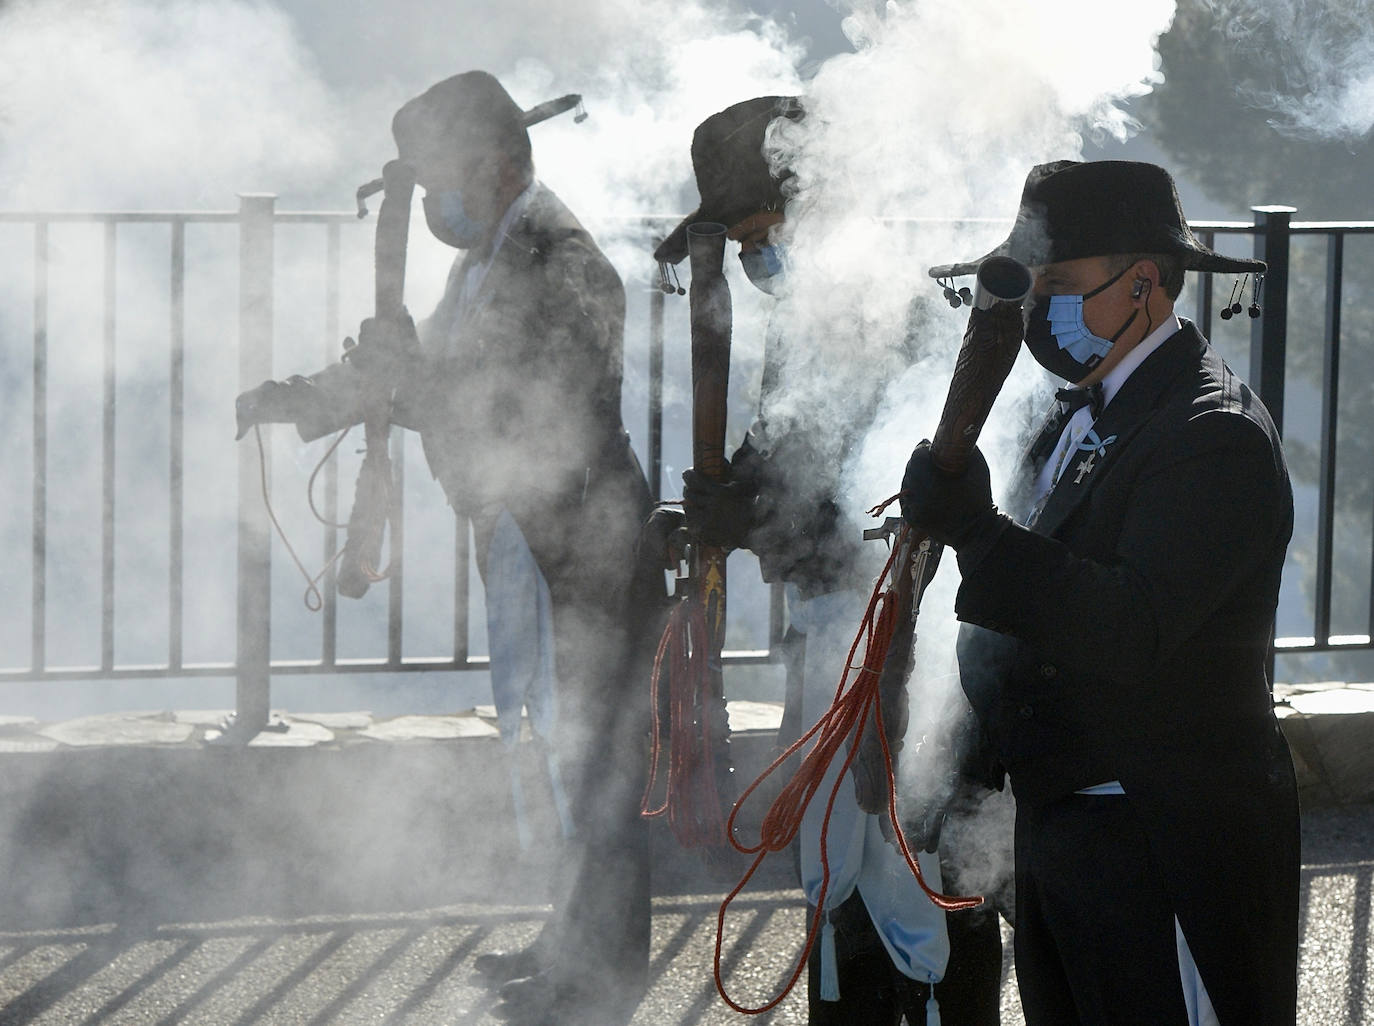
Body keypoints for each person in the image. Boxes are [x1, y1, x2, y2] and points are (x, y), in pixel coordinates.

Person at [237, 71, 663, 1026]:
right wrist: (299, 398)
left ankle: (601, 976)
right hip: (525, 541)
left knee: (595, 763)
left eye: (441, 177)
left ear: (501, 165)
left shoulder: (565, 262)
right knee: (553, 749)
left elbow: (525, 415)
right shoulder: (481, 261)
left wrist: (412, 384)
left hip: (583, 547)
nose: (433, 199)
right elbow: (422, 371)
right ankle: (569, 942)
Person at [902, 159, 1300, 1025]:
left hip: (1168, 842)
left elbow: (1128, 627)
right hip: (1065, 831)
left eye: (1059, 285)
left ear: (1144, 282)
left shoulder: (1212, 433)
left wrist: (980, 532)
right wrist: (967, 763)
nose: (1038, 311)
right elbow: (1023, 625)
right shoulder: (1080, 412)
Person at [657, 95, 1004, 1025]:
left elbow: (884, 511)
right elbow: (785, 459)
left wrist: (758, 517)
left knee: (912, 864)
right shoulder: (807, 321)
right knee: (839, 872)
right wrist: (721, 505)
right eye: (742, 245)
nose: (755, 260)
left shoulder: (898, 320)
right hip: (833, 637)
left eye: (761, 235)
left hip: (903, 650)